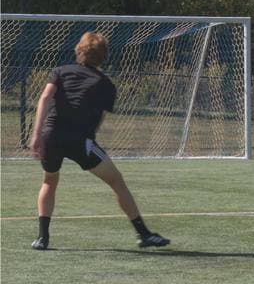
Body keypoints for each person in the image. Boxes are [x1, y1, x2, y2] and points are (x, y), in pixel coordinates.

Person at [30, 31, 170, 250]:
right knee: (116, 180)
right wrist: (86, 139)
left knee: (49, 180)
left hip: (51, 135)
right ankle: (143, 233)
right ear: (103, 56)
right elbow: (98, 120)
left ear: (78, 50)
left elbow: (46, 98)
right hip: (80, 141)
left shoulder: (60, 71)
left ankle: (42, 238)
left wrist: (36, 133)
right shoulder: (105, 84)